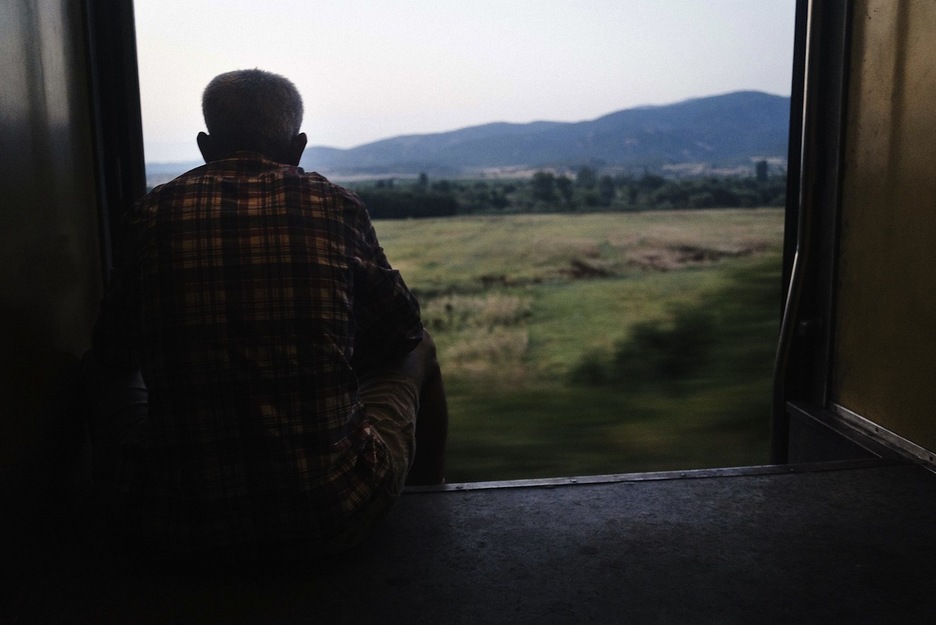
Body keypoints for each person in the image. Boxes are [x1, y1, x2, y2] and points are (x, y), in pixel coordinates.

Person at [90, 69, 448, 563]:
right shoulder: (335, 204)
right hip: (332, 514)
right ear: (298, 147)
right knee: (423, 348)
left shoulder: (151, 213)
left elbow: (113, 350)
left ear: (204, 146)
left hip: (172, 524)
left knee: (106, 380)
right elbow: (402, 331)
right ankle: (434, 505)